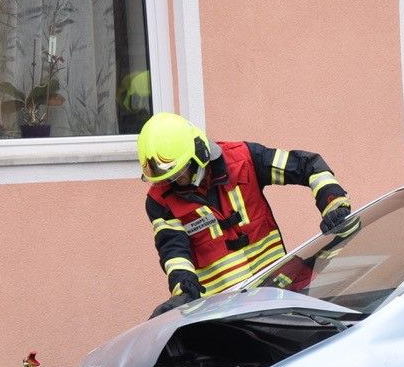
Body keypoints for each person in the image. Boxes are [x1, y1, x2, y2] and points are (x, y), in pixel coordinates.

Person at [137, 112, 354, 306]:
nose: (173, 181)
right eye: (166, 178)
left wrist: (334, 204)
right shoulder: (160, 201)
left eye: (178, 173)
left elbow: (308, 166)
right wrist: (183, 290)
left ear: (198, 154)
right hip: (228, 314)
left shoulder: (245, 159)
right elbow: (174, 253)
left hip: (281, 294)